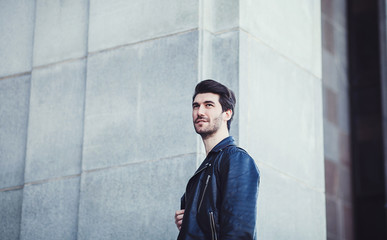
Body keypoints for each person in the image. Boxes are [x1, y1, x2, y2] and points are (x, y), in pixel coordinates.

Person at [175, 79, 260, 240]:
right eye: (196, 105)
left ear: (227, 113)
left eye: (209, 105)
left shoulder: (236, 159)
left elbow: (239, 232)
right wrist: (191, 222)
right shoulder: (205, 168)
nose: (200, 111)